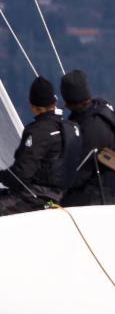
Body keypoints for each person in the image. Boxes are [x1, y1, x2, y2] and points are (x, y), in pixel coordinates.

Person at [0, 77, 80, 215]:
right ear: (54, 102)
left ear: (32, 106)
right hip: (63, 198)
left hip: (35, 200)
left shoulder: (37, 131)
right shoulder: (73, 128)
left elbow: (20, 174)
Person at [60, 69, 115, 206]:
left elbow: (79, 173)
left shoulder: (93, 128)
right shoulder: (102, 107)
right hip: (110, 189)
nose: (65, 106)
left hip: (100, 195)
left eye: (67, 102)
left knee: (48, 204)